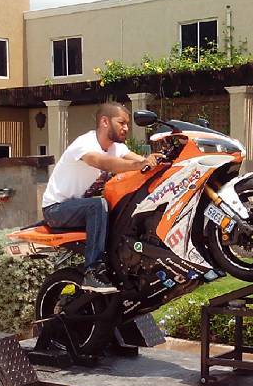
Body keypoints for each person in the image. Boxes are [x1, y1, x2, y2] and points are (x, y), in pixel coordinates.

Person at [40, 102, 163, 293]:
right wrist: (138, 165)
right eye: (121, 123)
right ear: (105, 122)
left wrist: (161, 162)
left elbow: (141, 161)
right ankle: (93, 272)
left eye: (127, 124)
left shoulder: (117, 148)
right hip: (56, 209)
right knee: (98, 205)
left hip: (79, 208)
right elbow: (102, 162)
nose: (126, 128)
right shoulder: (84, 143)